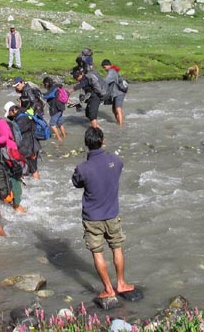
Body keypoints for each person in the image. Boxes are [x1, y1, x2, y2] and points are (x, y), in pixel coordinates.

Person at [71, 127, 134, 299]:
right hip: (112, 213)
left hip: (92, 217)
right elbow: (119, 168)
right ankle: (121, 283)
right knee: (117, 247)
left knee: (97, 252)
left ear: (86, 144)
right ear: (103, 141)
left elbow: (76, 183)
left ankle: (108, 289)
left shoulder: (83, 168)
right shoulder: (114, 159)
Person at [0, 109, 26, 212]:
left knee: (12, 175)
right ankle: (8, 194)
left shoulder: (1, 122)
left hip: (9, 152)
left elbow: (5, 137)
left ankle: (16, 201)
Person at [10, 98, 42, 179]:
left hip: (29, 147)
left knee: (33, 168)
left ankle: (38, 186)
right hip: (34, 145)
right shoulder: (26, 113)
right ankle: (38, 181)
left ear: (14, 110)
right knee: (34, 167)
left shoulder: (21, 119)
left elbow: (18, 132)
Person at [101, 59, 126, 126]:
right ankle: (118, 122)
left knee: (118, 109)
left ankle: (121, 126)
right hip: (116, 93)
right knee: (114, 110)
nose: (104, 69)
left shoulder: (111, 71)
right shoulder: (114, 70)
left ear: (107, 65)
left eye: (104, 67)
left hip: (119, 93)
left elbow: (106, 81)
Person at [43, 76, 67, 140]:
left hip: (56, 108)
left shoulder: (53, 88)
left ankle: (59, 139)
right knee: (60, 123)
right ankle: (64, 136)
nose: (44, 86)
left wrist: (40, 95)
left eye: (44, 84)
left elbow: (48, 95)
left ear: (47, 83)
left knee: (52, 124)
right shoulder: (58, 86)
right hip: (61, 107)